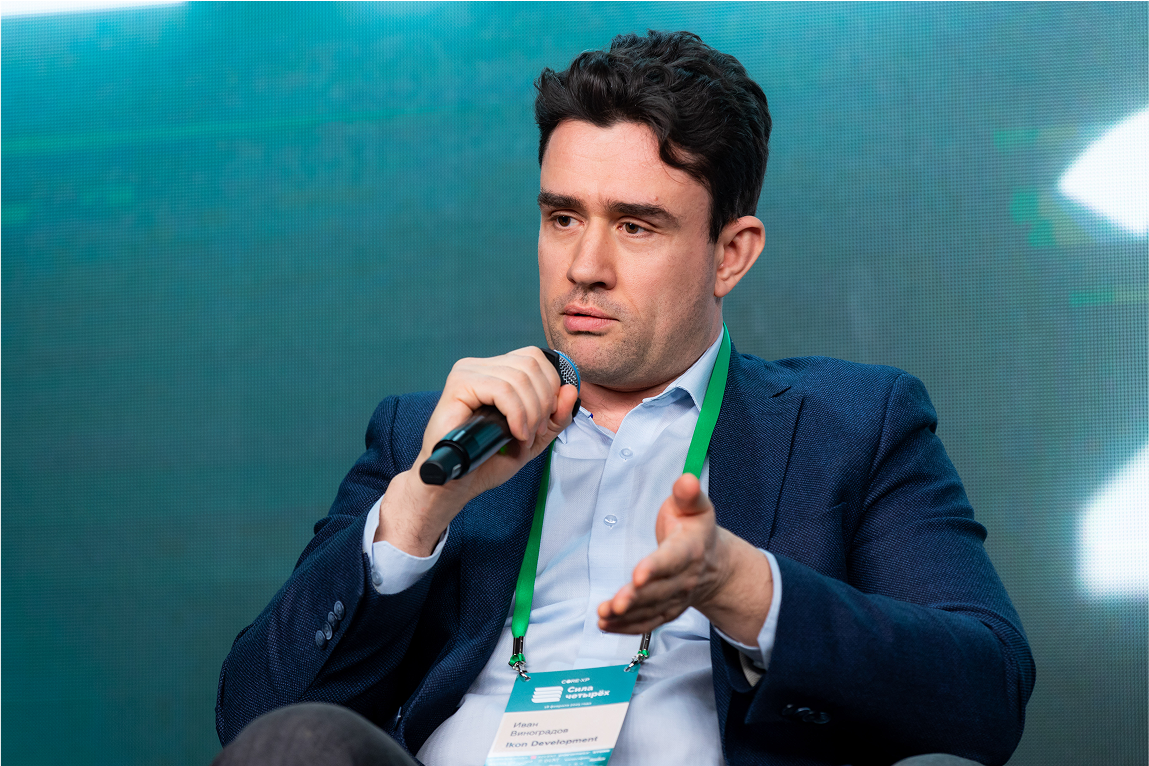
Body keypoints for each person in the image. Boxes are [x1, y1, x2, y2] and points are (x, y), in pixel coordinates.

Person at [214, 31, 1034, 766]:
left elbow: (986, 689)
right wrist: (419, 509)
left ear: (729, 254)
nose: (584, 267)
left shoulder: (852, 424)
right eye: (563, 218)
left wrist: (740, 586)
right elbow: (255, 722)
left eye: (635, 226)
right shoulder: (431, 436)